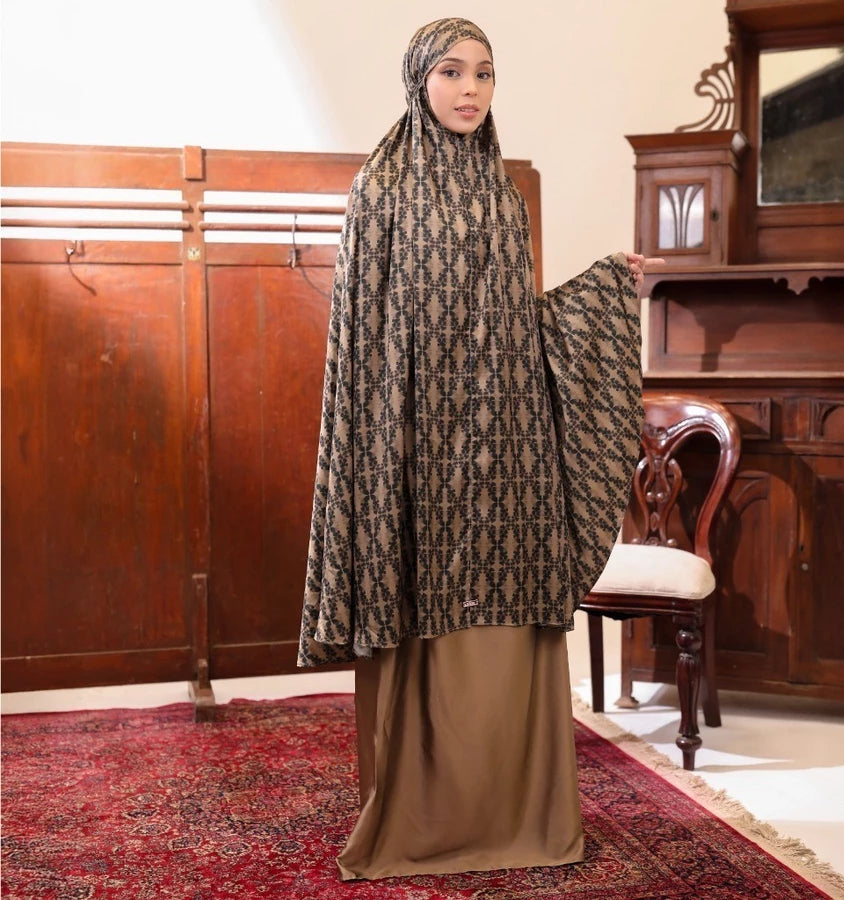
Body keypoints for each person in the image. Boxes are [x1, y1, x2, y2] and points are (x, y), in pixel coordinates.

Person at [298, 17, 657, 881]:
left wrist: (604, 283)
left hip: (510, 454)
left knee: (512, 614)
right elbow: (362, 342)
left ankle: (517, 813)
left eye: (486, 75)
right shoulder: (379, 190)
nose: (470, 90)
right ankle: (422, 817)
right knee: (428, 606)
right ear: (419, 79)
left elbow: (514, 326)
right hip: (418, 452)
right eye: (453, 72)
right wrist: (389, 453)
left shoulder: (497, 191)